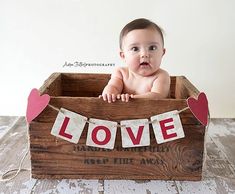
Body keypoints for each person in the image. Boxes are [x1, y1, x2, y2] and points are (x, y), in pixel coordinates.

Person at [99, 18, 170, 103]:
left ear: (162, 53)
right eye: (135, 49)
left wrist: (131, 99)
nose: (144, 54)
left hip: (150, 115)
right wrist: (109, 94)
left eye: (152, 48)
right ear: (123, 56)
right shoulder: (121, 73)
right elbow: (113, 86)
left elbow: (158, 96)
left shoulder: (161, 76)